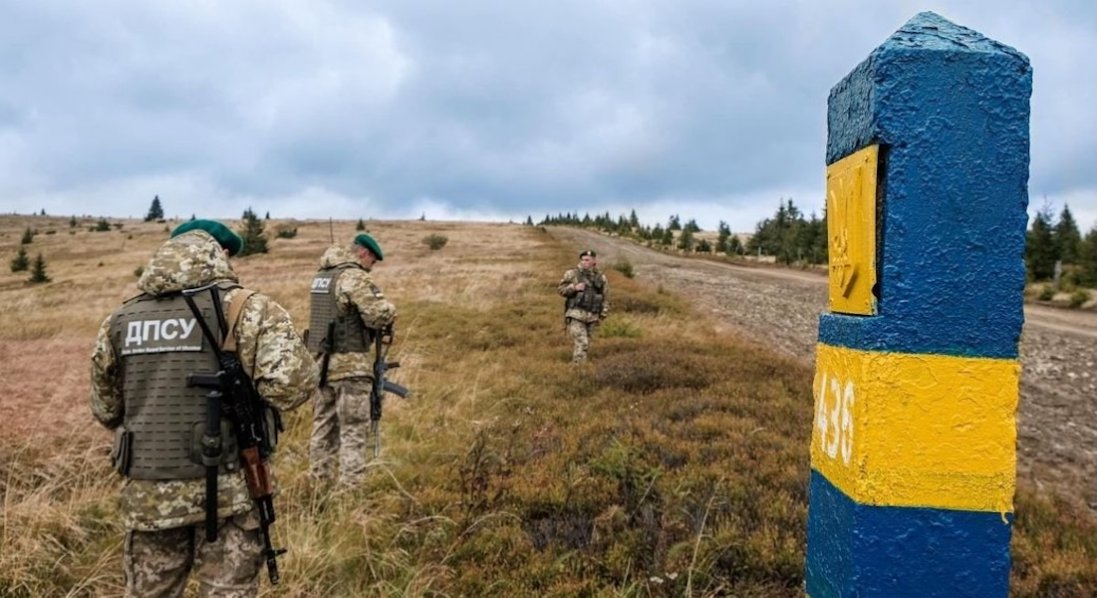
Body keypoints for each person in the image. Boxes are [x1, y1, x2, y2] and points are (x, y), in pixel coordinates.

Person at [90, 219, 318, 597]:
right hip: (232, 490)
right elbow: (291, 388)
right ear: (222, 253)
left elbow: (107, 410)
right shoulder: (247, 308)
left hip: (150, 498)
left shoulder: (120, 320)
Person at [306, 233, 396, 488]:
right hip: (350, 367)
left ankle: (317, 486)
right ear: (365, 254)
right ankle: (349, 492)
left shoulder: (322, 277)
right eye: (373, 262)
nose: (371, 267)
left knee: (322, 429)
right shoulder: (354, 276)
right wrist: (390, 309)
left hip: (322, 365)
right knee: (353, 430)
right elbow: (378, 316)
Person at [557, 249, 610, 364]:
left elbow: (605, 297)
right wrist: (574, 288)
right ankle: (578, 368)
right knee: (582, 341)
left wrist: (602, 315)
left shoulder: (601, 277)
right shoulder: (572, 274)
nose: (584, 262)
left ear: (594, 261)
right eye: (582, 260)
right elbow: (561, 290)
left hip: (593, 316)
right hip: (576, 313)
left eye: (587, 260)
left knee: (585, 345)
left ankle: (578, 366)